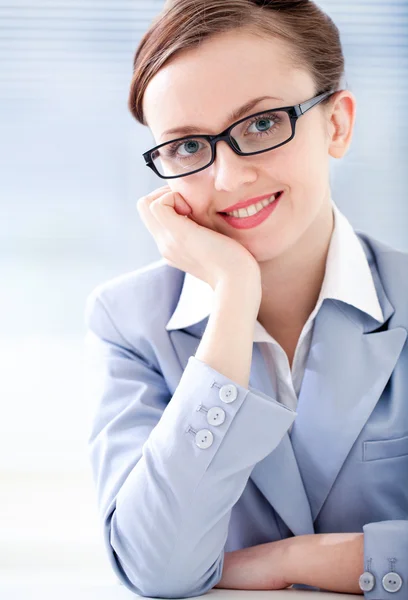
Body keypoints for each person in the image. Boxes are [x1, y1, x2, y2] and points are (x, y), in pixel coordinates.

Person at [84, 0, 408, 598]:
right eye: (186, 147)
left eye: (261, 124)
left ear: (336, 124)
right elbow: (157, 569)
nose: (229, 179)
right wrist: (233, 297)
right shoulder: (128, 322)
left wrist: (294, 560)